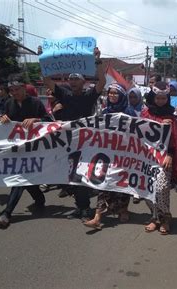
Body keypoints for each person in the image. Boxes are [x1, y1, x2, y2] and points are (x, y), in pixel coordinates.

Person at [43, 47, 106, 220]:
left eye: (76, 79)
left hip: (85, 140)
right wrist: (42, 58)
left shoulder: (89, 95)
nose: (73, 81)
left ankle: (85, 208)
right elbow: (47, 80)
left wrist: (97, 60)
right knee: (69, 175)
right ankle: (80, 206)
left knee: (82, 173)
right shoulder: (64, 94)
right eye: (70, 79)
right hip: (67, 139)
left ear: (84, 81)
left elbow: (102, 81)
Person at [0, 73, 50, 227]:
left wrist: (36, 120)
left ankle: (7, 213)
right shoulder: (8, 103)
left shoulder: (35, 103)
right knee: (22, 176)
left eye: (17, 89)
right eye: (11, 90)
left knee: (20, 177)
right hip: (16, 148)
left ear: (24, 88)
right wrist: (2, 117)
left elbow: (49, 120)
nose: (14, 92)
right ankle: (39, 198)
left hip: (34, 148)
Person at [83, 83, 136, 229]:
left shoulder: (129, 112)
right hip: (107, 154)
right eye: (110, 93)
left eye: (115, 93)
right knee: (103, 182)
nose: (112, 96)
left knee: (122, 182)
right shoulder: (104, 112)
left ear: (121, 95)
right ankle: (98, 216)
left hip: (124, 153)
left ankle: (123, 209)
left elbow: (136, 132)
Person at [141, 81, 177, 235]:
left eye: (163, 98)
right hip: (146, 158)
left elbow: (175, 140)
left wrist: (170, 155)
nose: (160, 101)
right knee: (146, 189)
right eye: (157, 98)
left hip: (164, 159)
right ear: (153, 97)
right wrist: (157, 123)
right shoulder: (145, 114)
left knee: (162, 188)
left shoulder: (171, 116)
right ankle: (154, 217)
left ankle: (165, 217)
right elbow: (138, 134)